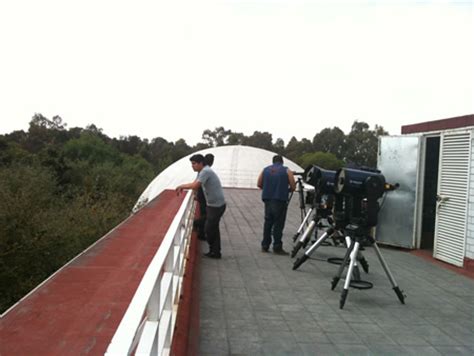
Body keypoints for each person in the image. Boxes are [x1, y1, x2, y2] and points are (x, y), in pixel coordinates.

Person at [176, 154, 226, 259]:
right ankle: (215, 252)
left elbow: (195, 186)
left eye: (194, 164)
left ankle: (214, 250)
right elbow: (195, 184)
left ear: (200, 163)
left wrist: (181, 186)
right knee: (214, 229)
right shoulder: (203, 171)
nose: (192, 166)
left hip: (216, 206)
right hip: (213, 204)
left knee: (209, 229)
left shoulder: (205, 171)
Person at [257, 155, 296, 255]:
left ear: (273, 161)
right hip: (280, 200)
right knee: (278, 224)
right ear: (282, 162)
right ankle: (277, 246)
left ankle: (265, 245)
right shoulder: (287, 170)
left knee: (268, 223)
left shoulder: (265, 170)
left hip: (268, 200)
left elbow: (259, 183)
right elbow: (293, 186)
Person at [195, 153, 215, 240]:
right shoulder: (205, 170)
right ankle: (198, 228)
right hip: (203, 195)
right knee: (206, 215)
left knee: (204, 213)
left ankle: (201, 233)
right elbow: (198, 183)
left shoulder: (202, 170)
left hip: (201, 194)